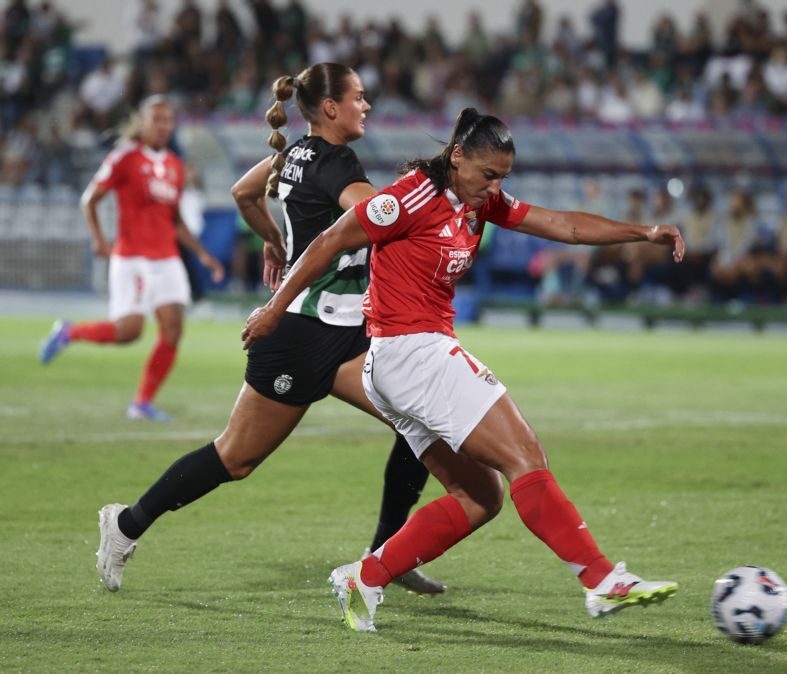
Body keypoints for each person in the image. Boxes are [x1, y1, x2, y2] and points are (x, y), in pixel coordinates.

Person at [243, 107, 685, 633]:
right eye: (487, 174)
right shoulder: (408, 198)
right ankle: (600, 579)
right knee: (526, 456)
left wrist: (643, 232)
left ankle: (365, 577)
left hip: (397, 364)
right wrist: (273, 309)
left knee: (481, 498)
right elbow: (329, 242)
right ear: (457, 157)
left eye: (501, 177)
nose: (493, 187)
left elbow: (561, 224)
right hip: (413, 353)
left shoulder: (477, 201)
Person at [92, 63, 444, 596]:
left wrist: (276, 241)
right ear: (331, 108)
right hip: (300, 335)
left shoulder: (293, 153)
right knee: (235, 458)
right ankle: (124, 525)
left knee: (419, 426)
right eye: (359, 97)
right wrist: (428, 202)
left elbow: (243, 192)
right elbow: (371, 213)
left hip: (350, 331)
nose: (367, 106)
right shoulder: (336, 159)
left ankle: (386, 556)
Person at [38, 96, 225, 421]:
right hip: (132, 257)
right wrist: (99, 239)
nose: (163, 125)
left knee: (172, 331)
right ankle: (69, 332)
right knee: (129, 331)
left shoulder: (175, 167)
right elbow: (90, 199)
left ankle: (141, 403)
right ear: (142, 122)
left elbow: (176, 221)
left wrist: (203, 256)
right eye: (156, 119)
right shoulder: (124, 157)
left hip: (167, 259)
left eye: (168, 119)